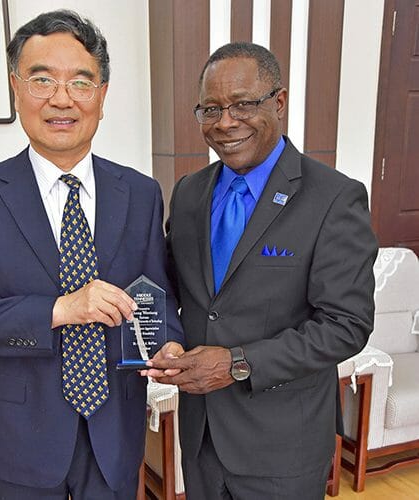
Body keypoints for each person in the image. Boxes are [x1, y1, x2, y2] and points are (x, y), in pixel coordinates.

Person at [0, 10, 183, 500]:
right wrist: (63, 308)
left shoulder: (141, 193)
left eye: (81, 82)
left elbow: (156, 293)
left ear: (102, 95)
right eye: (42, 80)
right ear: (16, 89)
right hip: (21, 435)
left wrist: (169, 344)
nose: (62, 99)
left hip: (116, 429)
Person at [144, 42, 378, 499]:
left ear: (280, 102)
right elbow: (173, 288)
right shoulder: (189, 193)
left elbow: (346, 325)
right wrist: (163, 337)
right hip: (201, 437)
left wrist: (237, 363)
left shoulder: (334, 198)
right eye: (211, 109)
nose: (225, 122)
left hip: (283, 446)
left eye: (243, 104)